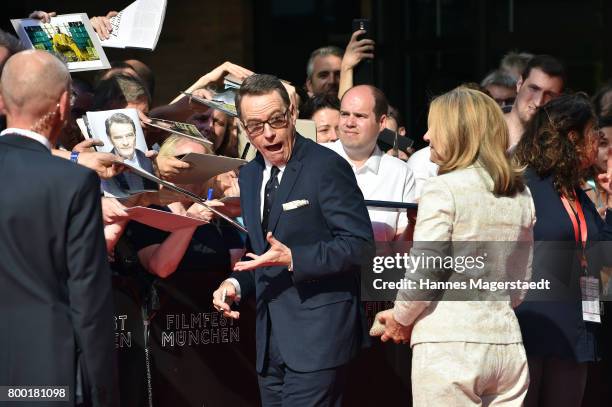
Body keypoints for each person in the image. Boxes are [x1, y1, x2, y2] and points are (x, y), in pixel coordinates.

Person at [212, 74, 373, 406]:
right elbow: (261, 253)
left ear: (290, 116)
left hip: (319, 340)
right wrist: (234, 284)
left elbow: (360, 245)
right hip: (269, 343)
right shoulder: (251, 173)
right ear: (243, 128)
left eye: (276, 120)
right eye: (256, 126)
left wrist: (296, 258)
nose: (269, 133)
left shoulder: (326, 167)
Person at [371, 86, 535, 406]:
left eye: (436, 127)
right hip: (506, 345)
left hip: (449, 348)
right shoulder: (520, 193)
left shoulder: (442, 189)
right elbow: (519, 285)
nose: (428, 135)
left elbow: (424, 273)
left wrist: (401, 319)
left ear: (459, 133)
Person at [0, 50, 118, 406]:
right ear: (64, 105)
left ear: (2, 102)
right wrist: (102, 392)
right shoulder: (72, 182)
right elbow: (88, 298)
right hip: (44, 375)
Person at [513, 93, 612, 407]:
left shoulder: (576, 192)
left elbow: (601, 258)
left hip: (577, 327)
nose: (597, 145)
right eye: (592, 135)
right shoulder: (523, 186)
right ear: (573, 138)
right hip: (532, 328)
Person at [326, 84, 416, 241]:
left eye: (360, 116)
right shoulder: (315, 158)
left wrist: (413, 224)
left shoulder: (400, 172)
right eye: (345, 114)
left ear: (381, 123)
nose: (349, 122)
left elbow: (401, 246)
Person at [505, 55, 565, 150]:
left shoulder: (556, 148)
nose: (538, 101)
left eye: (549, 94)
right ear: (519, 84)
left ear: (558, 99)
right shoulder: (482, 124)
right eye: (534, 89)